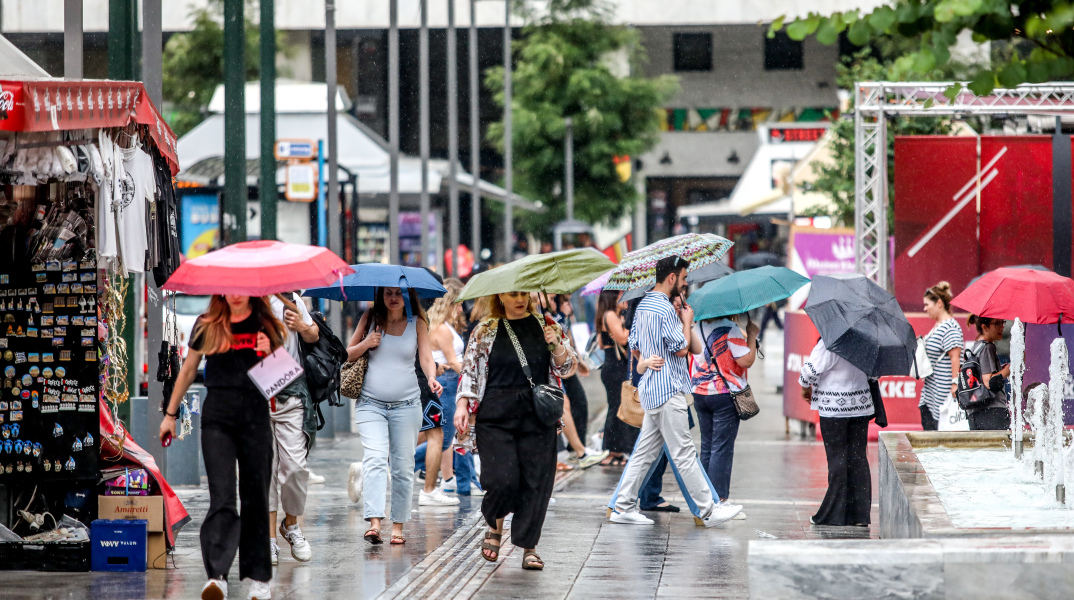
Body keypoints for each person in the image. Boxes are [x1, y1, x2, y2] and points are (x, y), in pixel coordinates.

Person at [160, 295, 287, 600]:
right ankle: (217, 577)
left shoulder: (267, 326)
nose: (236, 293)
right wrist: (170, 415)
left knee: (255, 495)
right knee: (222, 496)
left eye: (241, 287)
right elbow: (189, 371)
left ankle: (259, 579)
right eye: (229, 287)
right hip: (218, 420)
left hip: (255, 419)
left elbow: (280, 386)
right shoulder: (208, 325)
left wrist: (270, 353)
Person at [608, 256, 742, 527]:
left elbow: (634, 347)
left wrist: (680, 324)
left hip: (651, 389)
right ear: (671, 278)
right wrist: (686, 320)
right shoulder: (663, 308)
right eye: (682, 279)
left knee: (645, 453)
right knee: (683, 453)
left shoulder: (644, 305)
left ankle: (622, 506)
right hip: (668, 389)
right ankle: (707, 509)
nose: (684, 284)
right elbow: (682, 348)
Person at [454, 291, 577, 570]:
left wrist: (556, 344)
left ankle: (528, 547)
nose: (520, 299)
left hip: (536, 416)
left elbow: (568, 367)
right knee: (502, 479)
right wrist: (462, 404)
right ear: (501, 297)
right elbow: (470, 371)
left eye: (523, 293)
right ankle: (494, 525)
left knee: (536, 483)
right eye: (513, 294)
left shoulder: (547, 325)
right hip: (495, 415)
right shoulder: (485, 330)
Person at [346, 287, 442, 545]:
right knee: (376, 458)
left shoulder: (417, 322)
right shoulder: (369, 318)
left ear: (408, 296)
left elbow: (425, 357)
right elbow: (346, 354)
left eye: (398, 293)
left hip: (407, 404)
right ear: (380, 296)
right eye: (387, 293)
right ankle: (375, 522)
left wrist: (431, 377)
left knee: (402, 466)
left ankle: (398, 526)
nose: (392, 298)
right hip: (370, 404)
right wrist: (367, 343)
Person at [266, 293, 319, 565]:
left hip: (291, 390)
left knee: (295, 467)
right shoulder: (244, 300)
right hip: (256, 392)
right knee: (266, 471)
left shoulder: (291, 299)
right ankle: (269, 539)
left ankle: (291, 525)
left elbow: (313, 335)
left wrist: (301, 325)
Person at [799, 337, 873, 527]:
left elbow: (809, 371)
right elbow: (875, 375)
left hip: (833, 410)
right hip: (861, 407)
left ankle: (835, 515)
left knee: (837, 459)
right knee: (858, 458)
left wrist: (805, 388)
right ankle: (860, 516)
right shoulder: (866, 341)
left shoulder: (829, 342)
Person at [689, 312, 758, 516]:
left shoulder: (698, 326)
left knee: (708, 447)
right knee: (722, 449)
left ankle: (705, 500)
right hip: (724, 394)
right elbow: (746, 360)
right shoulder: (729, 328)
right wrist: (752, 336)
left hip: (700, 393)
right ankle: (719, 500)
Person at [417, 278, 469, 500]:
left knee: (435, 435)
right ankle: (394, 464)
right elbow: (454, 363)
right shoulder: (442, 329)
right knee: (442, 437)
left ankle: (393, 463)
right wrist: (475, 374)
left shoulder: (444, 326)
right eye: (458, 304)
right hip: (446, 382)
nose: (460, 309)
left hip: (448, 381)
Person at [595, 290, 637, 466]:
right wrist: (631, 324)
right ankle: (613, 450)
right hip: (615, 368)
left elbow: (600, 342)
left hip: (612, 366)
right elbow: (622, 338)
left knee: (618, 407)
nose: (625, 299)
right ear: (612, 298)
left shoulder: (608, 315)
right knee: (616, 408)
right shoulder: (610, 315)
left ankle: (617, 450)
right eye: (621, 295)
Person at [919, 283, 963, 430]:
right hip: (932, 391)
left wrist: (955, 384)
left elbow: (955, 357)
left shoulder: (949, 326)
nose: (925, 309)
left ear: (939, 303)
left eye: (927, 304)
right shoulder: (939, 325)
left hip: (943, 394)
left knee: (940, 436)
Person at [964, 315, 1011, 431]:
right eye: (997, 324)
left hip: (976, 413)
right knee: (998, 449)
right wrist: (1011, 368)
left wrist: (1001, 369)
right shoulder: (987, 347)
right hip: (992, 413)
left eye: (1003, 322)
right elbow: (989, 382)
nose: (1002, 327)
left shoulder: (975, 347)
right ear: (984, 327)